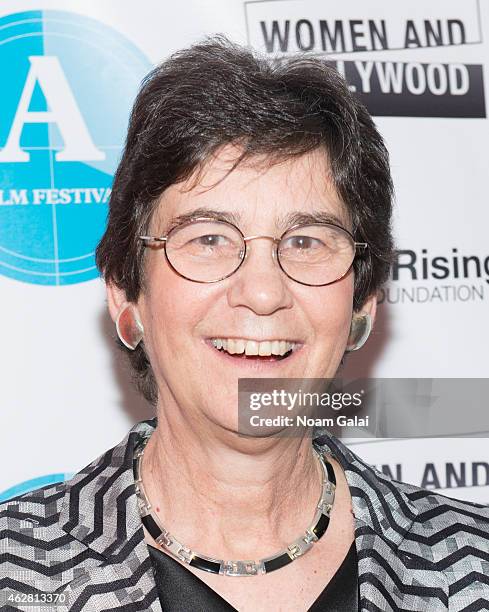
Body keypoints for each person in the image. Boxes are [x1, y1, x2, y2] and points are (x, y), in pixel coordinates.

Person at [1, 35, 488, 612]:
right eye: (208, 239)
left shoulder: (473, 564)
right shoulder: (14, 571)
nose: (261, 293)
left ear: (363, 303)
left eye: (307, 241)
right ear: (126, 293)